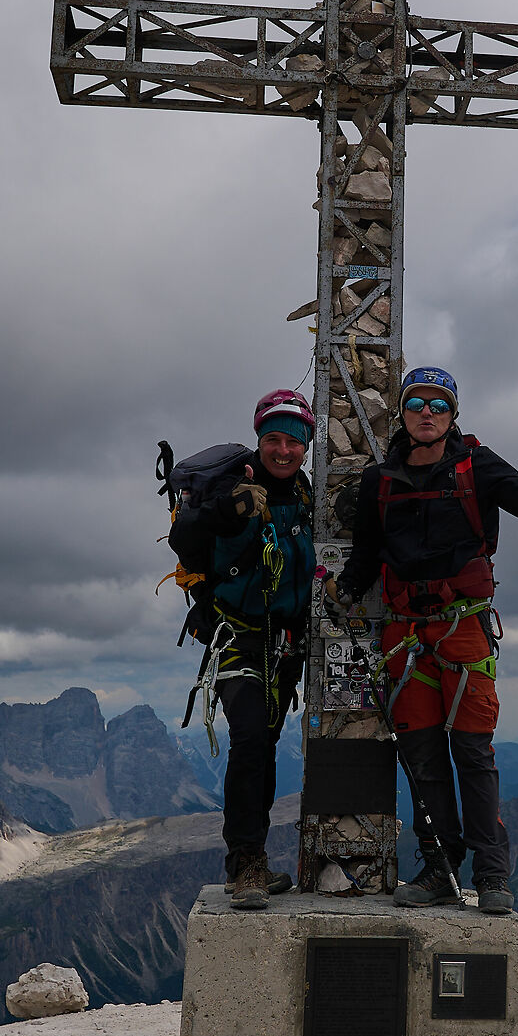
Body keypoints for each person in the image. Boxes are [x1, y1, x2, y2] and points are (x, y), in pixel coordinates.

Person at [332, 366, 518, 913]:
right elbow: (368, 556)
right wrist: (344, 590)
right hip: (406, 634)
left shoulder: (477, 466)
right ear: (402, 411)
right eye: (416, 402)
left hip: (462, 628)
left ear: (453, 415)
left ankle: (492, 875)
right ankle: (440, 869)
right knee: (423, 757)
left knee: (470, 751)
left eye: (437, 405)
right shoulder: (379, 481)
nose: (426, 413)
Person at [170, 388, 316, 910]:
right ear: (259, 440)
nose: (283, 451)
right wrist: (223, 514)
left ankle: (250, 859)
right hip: (237, 635)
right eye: (273, 440)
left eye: (293, 442)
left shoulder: (306, 495)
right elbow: (183, 536)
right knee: (251, 736)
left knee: (265, 739)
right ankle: (246, 862)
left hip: (287, 641)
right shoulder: (233, 486)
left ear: (306, 447)